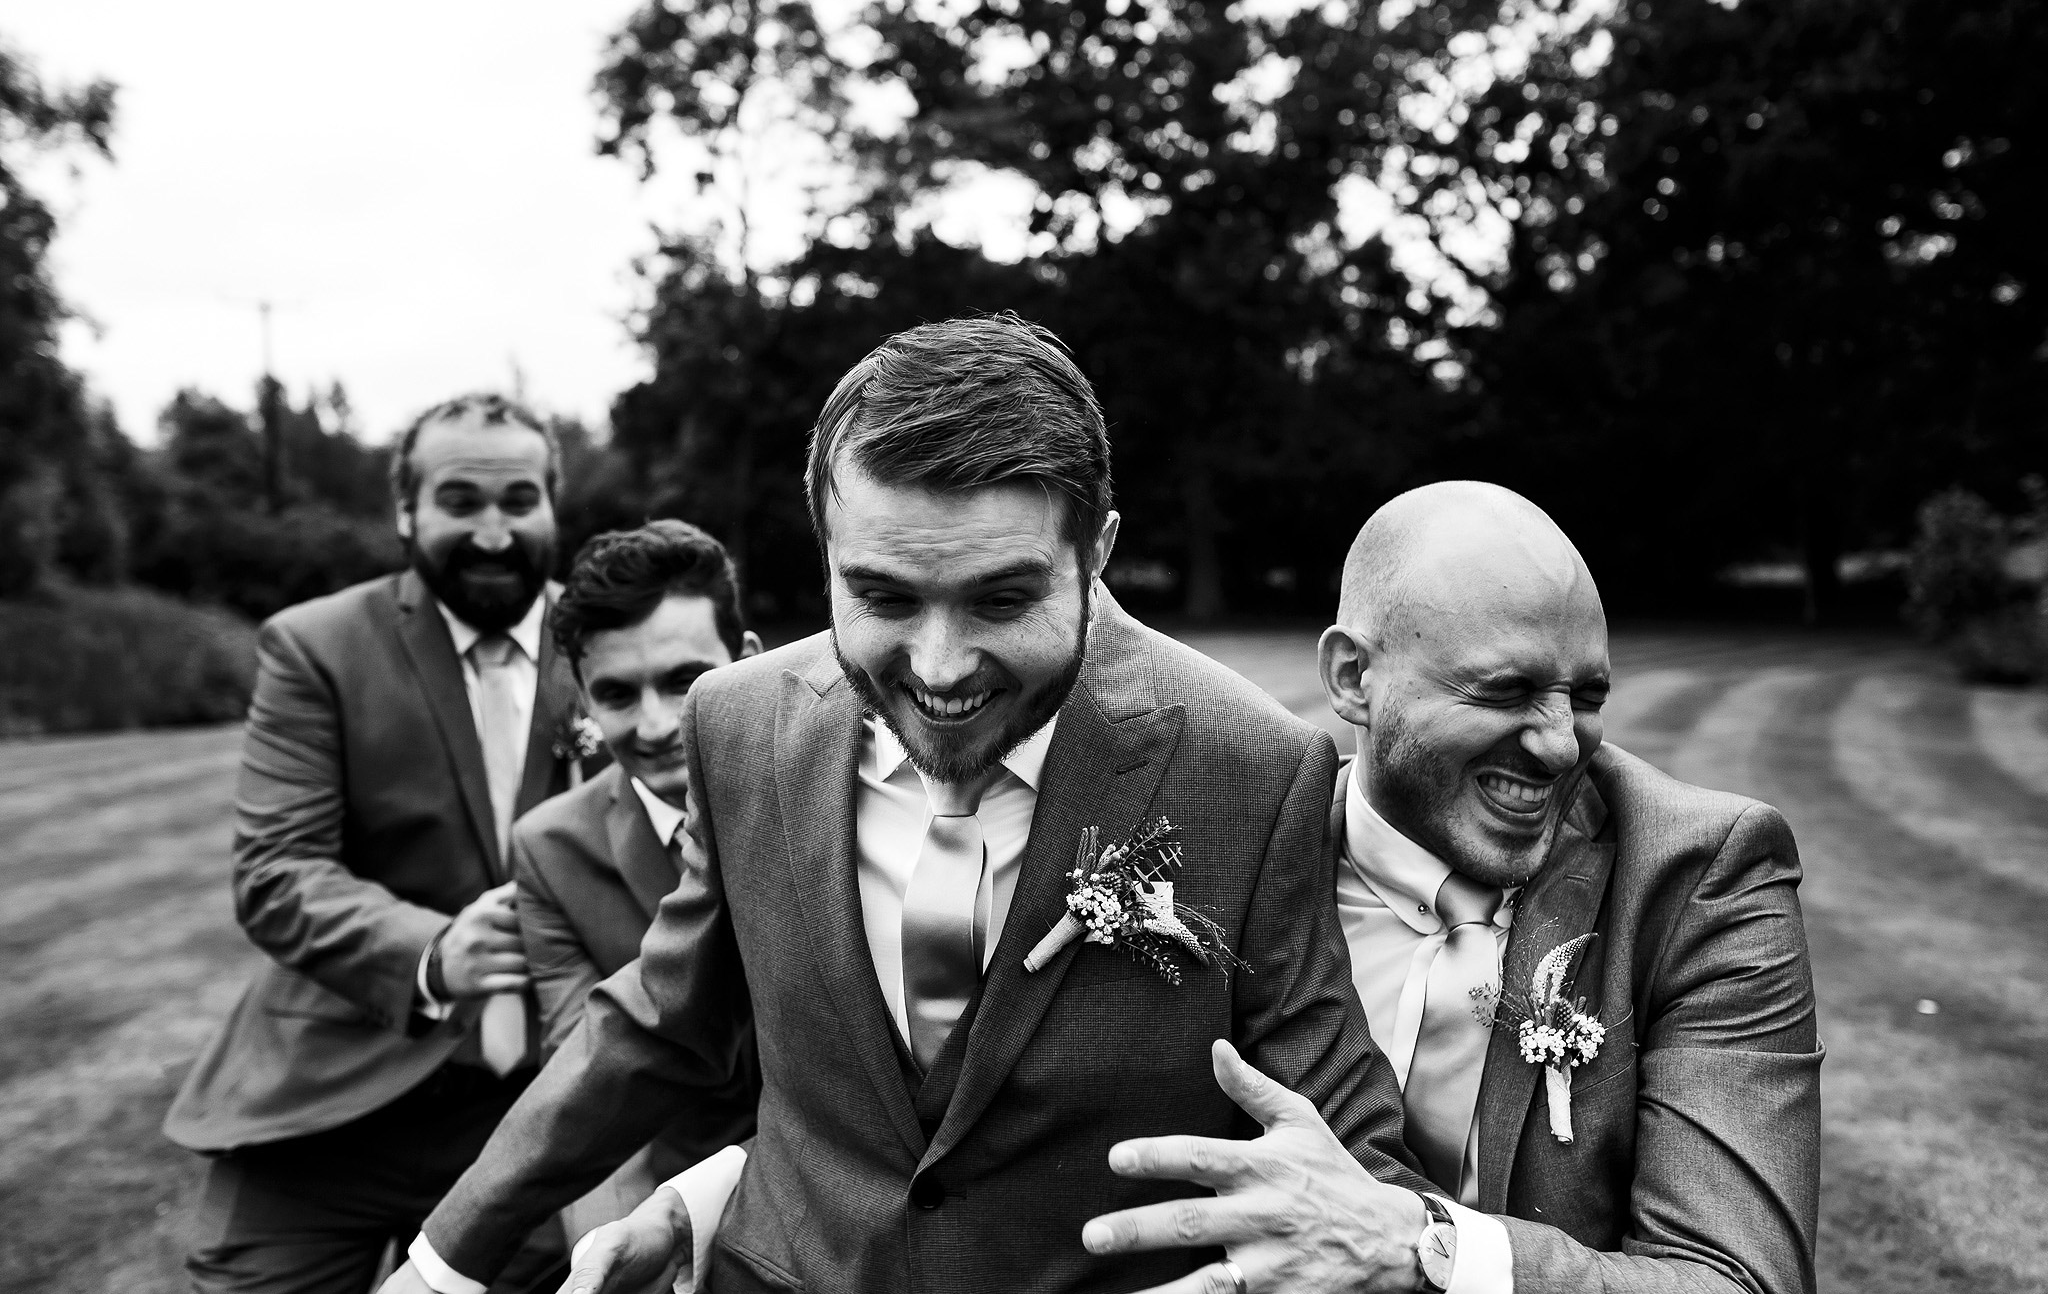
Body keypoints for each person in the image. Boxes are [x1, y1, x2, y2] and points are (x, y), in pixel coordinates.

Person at [380, 314, 1427, 1294]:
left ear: (1095, 550)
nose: (939, 668)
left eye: (1001, 599)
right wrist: (441, 1260)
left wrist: (1390, 1241)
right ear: (824, 554)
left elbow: (1337, 1139)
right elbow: (659, 1025)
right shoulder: (738, 724)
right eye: (881, 597)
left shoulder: (1254, 766)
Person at [1082, 481, 1823, 1294]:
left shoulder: (1699, 879)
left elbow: (1740, 1279)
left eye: (1586, 697)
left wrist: (1425, 1248)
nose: (1557, 743)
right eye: (1506, 691)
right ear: (1353, 676)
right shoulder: (1219, 856)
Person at [165, 393, 585, 1294]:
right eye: (460, 501)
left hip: (534, 1117)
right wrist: (435, 954)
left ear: (553, 504)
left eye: (518, 500)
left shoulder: (611, 650)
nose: (493, 531)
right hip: (327, 1109)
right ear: (406, 511)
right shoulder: (317, 647)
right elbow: (277, 871)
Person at [510, 520, 763, 1240]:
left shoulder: (845, 791)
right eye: (618, 693)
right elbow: (587, 1089)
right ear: (583, 699)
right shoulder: (550, 850)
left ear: (748, 658)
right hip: (676, 1200)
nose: (656, 725)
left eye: (684, 681)